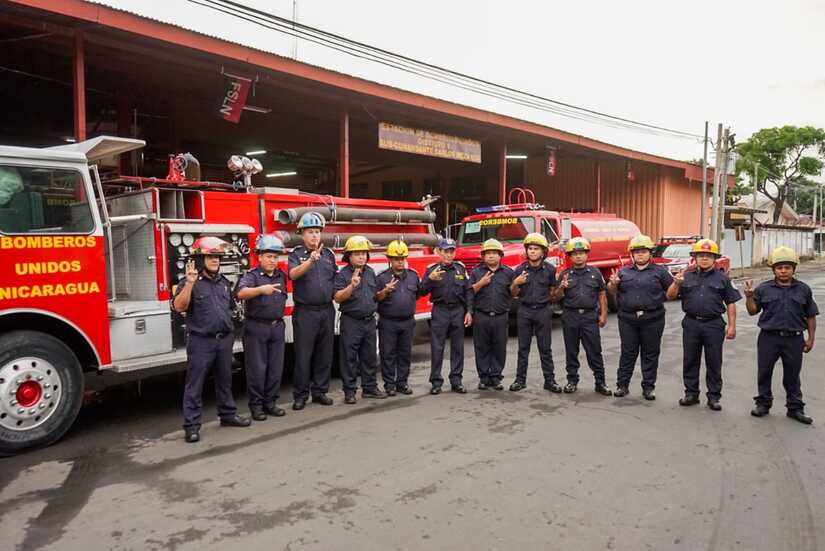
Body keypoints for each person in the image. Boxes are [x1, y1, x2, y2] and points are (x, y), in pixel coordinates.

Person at [172, 236, 251, 443]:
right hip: (201, 342)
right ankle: (191, 426)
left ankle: (227, 415)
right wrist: (189, 283)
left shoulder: (224, 283)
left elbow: (231, 309)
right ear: (199, 259)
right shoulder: (189, 282)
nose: (215, 260)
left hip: (224, 340)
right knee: (194, 385)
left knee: (225, 380)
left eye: (217, 257)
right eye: (210, 257)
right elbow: (179, 307)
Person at [744, 246, 818, 424]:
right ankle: (763, 403)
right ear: (773, 270)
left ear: (794, 269)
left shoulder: (803, 290)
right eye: (779, 267)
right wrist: (748, 297)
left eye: (787, 267)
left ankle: (795, 408)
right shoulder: (763, 289)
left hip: (794, 339)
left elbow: (811, 315)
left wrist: (811, 338)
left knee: (792, 375)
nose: (783, 271)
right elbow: (753, 311)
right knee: (764, 371)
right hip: (769, 338)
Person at [665, 238, 740, 411]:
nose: (704, 258)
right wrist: (676, 283)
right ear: (695, 257)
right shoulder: (686, 275)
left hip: (713, 325)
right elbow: (669, 296)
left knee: (714, 361)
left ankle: (713, 397)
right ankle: (691, 393)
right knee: (690, 360)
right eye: (701, 255)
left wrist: (732, 326)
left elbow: (731, 302)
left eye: (708, 255)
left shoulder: (723, 278)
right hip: (691, 323)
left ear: (715, 258)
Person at [607, 234, 673, 400]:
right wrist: (613, 284)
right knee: (628, 352)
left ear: (650, 253)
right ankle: (622, 385)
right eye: (636, 252)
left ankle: (648, 387)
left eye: (644, 251)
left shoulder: (660, 272)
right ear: (632, 254)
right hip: (628, 319)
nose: (640, 254)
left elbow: (671, 293)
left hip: (653, 318)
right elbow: (611, 291)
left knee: (650, 353)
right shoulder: (623, 272)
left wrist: (677, 283)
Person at [551, 237, 612, 396]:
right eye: (575, 254)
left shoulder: (595, 273)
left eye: (581, 253)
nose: (578, 256)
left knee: (594, 351)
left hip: (589, 317)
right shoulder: (564, 274)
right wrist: (561, 288)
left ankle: (600, 382)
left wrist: (604, 314)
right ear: (570, 256)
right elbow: (555, 298)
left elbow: (602, 294)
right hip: (570, 316)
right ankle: (572, 381)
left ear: (587, 255)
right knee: (571, 351)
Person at [288, 212, 336, 410]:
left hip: (326, 310)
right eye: (310, 232)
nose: (315, 236)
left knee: (324, 354)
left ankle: (320, 392)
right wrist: (310, 261)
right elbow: (292, 274)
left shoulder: (329, 255)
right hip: (305, 312)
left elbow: (335, 279)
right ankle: (300, 395)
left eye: (317, 232)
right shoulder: (296, 254)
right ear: (302, 234)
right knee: (303, 356)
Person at [237, 234, 288, 421]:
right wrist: (260, 290)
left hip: (276, 327)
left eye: (275, 257)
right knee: (257, 369)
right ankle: (256, 406)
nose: (272, 260)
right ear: (260, 257)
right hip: (256, 327)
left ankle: (270, 403)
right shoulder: (252, 276)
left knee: (275, 368)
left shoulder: (281, 275)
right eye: (268, 256)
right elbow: (241, 293)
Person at [334, 236, 386, 403]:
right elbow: (338, 298)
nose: (362, 256)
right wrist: (352, 286)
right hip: (351, 321)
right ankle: (349, 392)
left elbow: (375, 296)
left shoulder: (370, 272)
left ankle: (369, 388)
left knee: (369, 357)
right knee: (349, 358)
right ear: (349, 256)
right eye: (357, 253)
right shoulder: (342, 275)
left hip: (369, 321)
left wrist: (385, 292)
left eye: (364, 253)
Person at [419, 237, 473, 395]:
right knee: (437, 348)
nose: (449, 255)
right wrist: (430, 280)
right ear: (438, 252)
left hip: (457, 311)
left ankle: (456, 380)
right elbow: (421, 291)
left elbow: (468, 291)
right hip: (440, 311)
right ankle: (436, 382)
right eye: (446, 252)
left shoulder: (460, 268)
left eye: (451, 251)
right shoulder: (432, 269)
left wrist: (469, 311)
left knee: (458, 347)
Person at [509, 232, 561, 393]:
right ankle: (520, 380)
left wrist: (561, 289)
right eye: (530, 248)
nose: (532, 251)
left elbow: (553, 293)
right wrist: (516, 283)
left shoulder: (550, 270)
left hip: (543, 311)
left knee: (545, 348)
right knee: (523, 348)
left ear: (543, 251)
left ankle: (550, 381)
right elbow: (513, 293)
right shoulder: (519, 269)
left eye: (536, 249)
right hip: (524, 310)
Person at [375, 240, 419, 396]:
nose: (400, 262)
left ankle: (402, 382)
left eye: (402, 258)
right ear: (389, 259)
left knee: (405, 353)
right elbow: (376, 299)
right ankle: (389, 384)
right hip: (388, 322)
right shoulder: (381, 278)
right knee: (388, 354)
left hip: (407, 321)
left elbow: (418, 294)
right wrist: (385, 291)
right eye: (396, 259)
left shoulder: (413, 276)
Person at [470, 239, 514, 391]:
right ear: (483, 256)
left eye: (494, 253)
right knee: (481, 348)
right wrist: (481, 283)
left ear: (500, 255)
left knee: (499, 347)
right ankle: (483, 378)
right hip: (481, 315)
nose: (491, 256)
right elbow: (469, 293)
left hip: (501, 316)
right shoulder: (476, 272)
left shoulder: (508, 272)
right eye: (487, 253)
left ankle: (496, 378)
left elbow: (513, 293)